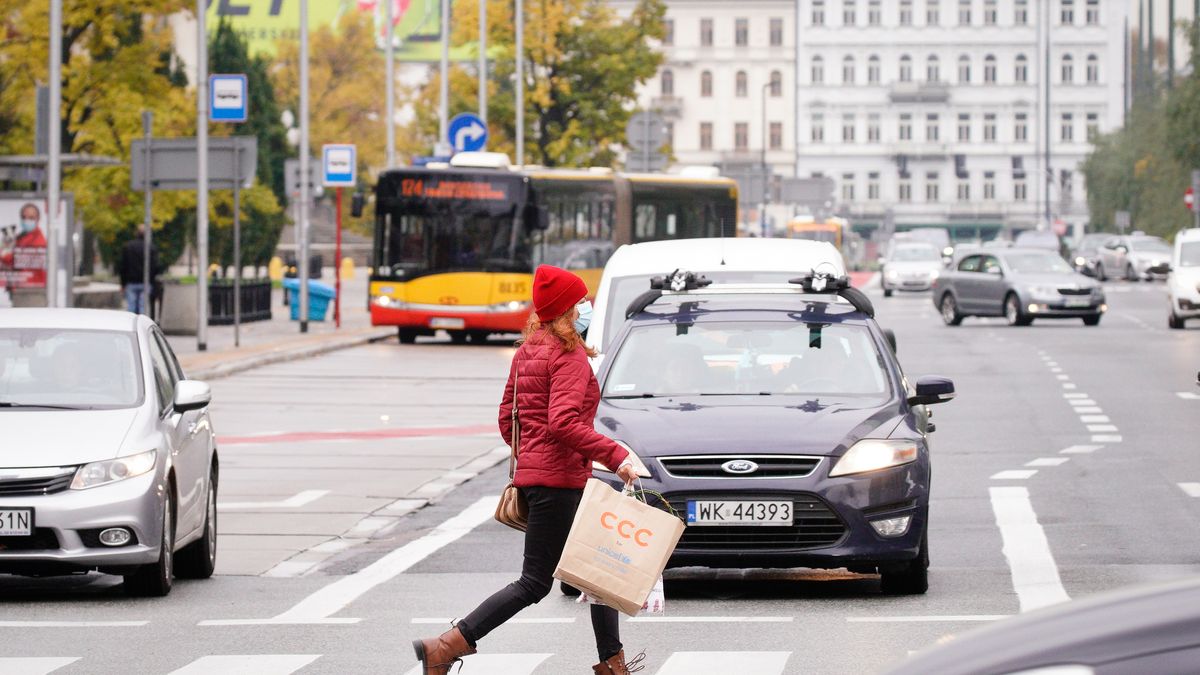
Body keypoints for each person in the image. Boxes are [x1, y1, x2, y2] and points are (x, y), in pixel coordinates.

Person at [412, 265, 643, 675]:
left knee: (597, 572)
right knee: (538, 582)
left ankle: (612, 662)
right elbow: (564, 422)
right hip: (560, 483)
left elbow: (508, 419)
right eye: (582, 301)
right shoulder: (568, 355)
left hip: (540, 480)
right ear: (568, 309)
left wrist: (534, 455)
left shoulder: (527, 351)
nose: (587, 307)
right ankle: (447, 645)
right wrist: (616, 456)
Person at [119, 225, 159, 315]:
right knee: (143, 308)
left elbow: (123, 266)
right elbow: (155, 267)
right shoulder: (151, 247)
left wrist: (123, 283)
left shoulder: (128, 247)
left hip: (131, 282)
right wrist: (152, 281)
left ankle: (131, 323)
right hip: (146, 282)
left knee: (131, 308)